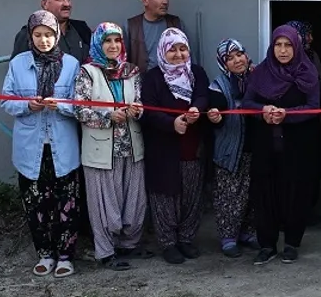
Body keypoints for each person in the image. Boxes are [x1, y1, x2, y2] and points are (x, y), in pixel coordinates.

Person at [1, 10, 81, 277]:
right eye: (38, 35)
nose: (44, 40)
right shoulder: (18, 64)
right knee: (36, 204)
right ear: (30, 36)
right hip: (30, 148)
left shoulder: (70, 64)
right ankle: (45, 254)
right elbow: (6, 100)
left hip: (63, 146)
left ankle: (66, 256)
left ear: (57, 35)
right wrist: (28, 105)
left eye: (48, 34)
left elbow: (81, 104)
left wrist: (62, 105)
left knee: (67, 202)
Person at [243, 25, 321, 265]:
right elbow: (247, 103)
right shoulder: (260, 72)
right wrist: (263, 110)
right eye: (278, 45)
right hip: (265, 145)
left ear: (296, 47)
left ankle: (291, 243)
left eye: (288, 45)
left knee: (295, 194)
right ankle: (267, 245)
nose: (283, 50)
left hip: (297, 145)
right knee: (265, 194)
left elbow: (314, 107)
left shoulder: (307, 73)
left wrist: (288, 115)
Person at [74, 23, 146, 271]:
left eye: (117, 41)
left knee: (133, 200)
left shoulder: (131, 71)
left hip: (131, 146)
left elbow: (139, 101)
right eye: (108, 41)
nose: (113, 46)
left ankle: (128, 245)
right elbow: (79, 109)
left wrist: (137, 110)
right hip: (101, 150)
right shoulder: (87, 72)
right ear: (98, 43)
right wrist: (108, 116)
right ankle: (106, 252)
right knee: (104, 204)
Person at [140, 28, 209, 264]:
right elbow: (148, 111)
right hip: (163, 148)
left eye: (183, 49)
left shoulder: (196, 73)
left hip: (192, 147)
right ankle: (168, 243)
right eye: (172, 50)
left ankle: (186, 239)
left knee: (191, 194)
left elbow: (203, 95)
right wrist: (172, 124)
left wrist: (196, 108)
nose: (179, 55)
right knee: (165, 196)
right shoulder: (153, 78)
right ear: (162, 51)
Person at [206, 39, 258, 258]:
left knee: (251, 193)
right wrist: (215, 117)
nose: (237, 60)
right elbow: (214, 114)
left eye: (239, 54)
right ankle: (228, 238)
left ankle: (248, 233)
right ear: (223, 63)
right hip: (230, 151)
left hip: (254, 148)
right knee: (230, 196)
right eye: (230, 58)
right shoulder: (218, 86)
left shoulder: (257, 79)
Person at [288, 20, 321, 225]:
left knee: (311, 169)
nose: (310, 38)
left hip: (313, 122)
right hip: (291, 125)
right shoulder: (284, 64)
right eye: (306, 34)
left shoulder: (312, 57)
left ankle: (307, 210)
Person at [12, 0, 91, 63]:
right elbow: (19, 66)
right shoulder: (28, 34)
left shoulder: (81, 29)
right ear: (45, 4)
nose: (67, 4)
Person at [125, 0, 189, 72]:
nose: (165, 1)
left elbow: (188, 58)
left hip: (172, 79)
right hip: (142, 80)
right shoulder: (131, 26)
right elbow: (123, 62)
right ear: (145, 0)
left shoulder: (176, 23)